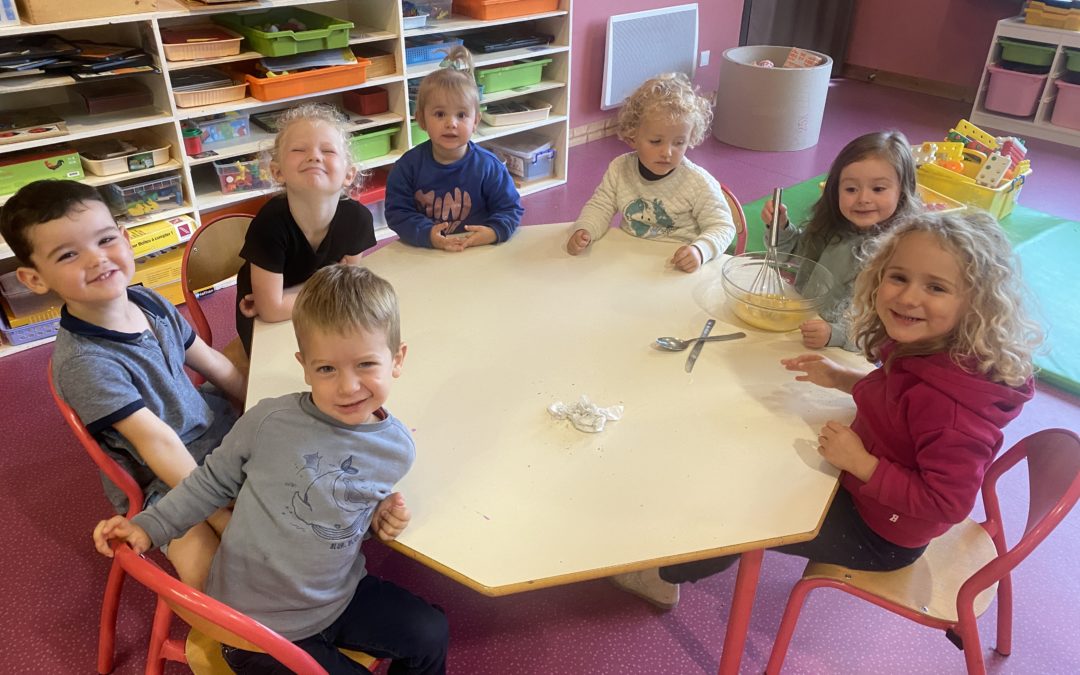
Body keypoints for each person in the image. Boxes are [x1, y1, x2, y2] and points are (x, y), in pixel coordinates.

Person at [612, 211, 1040, 610]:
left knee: (738, 523)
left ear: (976, 303)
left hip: (880, 534)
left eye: (936, 287)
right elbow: (897, 399)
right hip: (863, 484)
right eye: (899, 277)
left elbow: (947, 502)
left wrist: (863, 463)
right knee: (748, 461)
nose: (909, 297)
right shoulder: (931, 345)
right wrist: (845, 379)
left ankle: (663, 576)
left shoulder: (950, 410)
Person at [93, 264, 449, 674]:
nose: (348, 386)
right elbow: (205, 485)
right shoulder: (268, 421)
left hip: (337, 597)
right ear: (304, 364)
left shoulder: (396, 448)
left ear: (397, 359)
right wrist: (147, 526)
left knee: (431, 632)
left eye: (366, 365)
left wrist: (377, 517)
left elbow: (344, 517)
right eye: (327, 369)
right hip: (251, 627)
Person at [0, 180, 244, 590]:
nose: (97, 259)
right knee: (209, 573)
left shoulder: (150, 302)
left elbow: (215, 364)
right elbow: (158, 447)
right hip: (160, 477)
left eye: (106, 239)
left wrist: (261, 408)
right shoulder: (84, 362)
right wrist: (217, 512)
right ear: (34, 279)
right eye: (68, 254)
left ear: (126, 239)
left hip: (206, 430)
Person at [235, 102, 376, 358]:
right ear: (278, 172)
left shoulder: (358, 220)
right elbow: (271, 311)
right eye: (299, 149)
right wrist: (326, 288)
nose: (314, 156)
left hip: (320, 313)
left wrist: (286, 296)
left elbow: (347, 289)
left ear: (349, 174)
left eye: (328, 150)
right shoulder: (269, 224)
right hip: (266, 326)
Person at [761, 130, 920, 349]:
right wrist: (780, 227)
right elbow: (794, 255)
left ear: (902, 191)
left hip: (850, 355)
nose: (863, 199)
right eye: (851, 189)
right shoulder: (833, 227)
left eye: (878, 189)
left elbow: (884, 330)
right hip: (804, 329)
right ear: (835, 190)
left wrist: (834, 335)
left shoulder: (902, 255)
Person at [566, 73, 736, 272]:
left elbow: (723, 227)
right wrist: (585, 229)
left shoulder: (698, 182)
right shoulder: (620, 168)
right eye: (656, 141)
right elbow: (600, 206)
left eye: (679, 143)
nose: (667, 152)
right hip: (629, 264)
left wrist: (700, 251)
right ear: (633, 136)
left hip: (677, 270)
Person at [385, 45, 523, 251]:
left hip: (477, 250)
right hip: (426, 252)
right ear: (421, 119)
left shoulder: (489, 167)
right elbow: (397, 213)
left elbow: (510, 209)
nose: (451, 123)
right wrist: (427, 234)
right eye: (440, 114)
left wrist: (493, 231)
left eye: (461, 115)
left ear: (475, 121)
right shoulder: (407, 167)